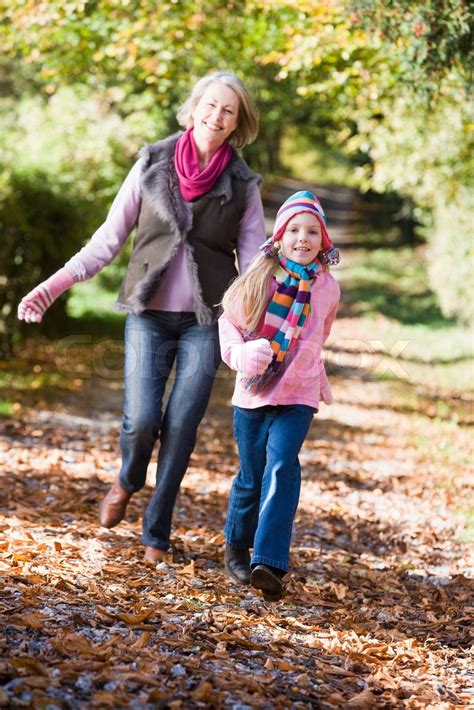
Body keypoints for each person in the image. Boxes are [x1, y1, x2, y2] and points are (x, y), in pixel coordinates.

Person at [17, 71, 265, 564]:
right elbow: (107, 241)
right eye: (210, 105)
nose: (216, 117)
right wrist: (52, 286)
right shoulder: (152, 164)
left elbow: (255, 264)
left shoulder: (243, 185)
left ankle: (156, 532)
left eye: (228, 111)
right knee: (142, 419)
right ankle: (128, 479)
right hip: (147, 315)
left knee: (182, 423)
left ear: (238, 123)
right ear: (193, 107)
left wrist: (268, 320)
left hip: (206, 322)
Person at [218, 191, 340, 601]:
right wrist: (240, 354)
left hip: (299, 395)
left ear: (323, 241)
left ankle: (267, 562)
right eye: (294, 230)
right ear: (280, 236)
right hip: (253, 393)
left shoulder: (328, 288)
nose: (302, 238)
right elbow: (228, 324)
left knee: (282, 467)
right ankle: (236, 545)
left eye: (312, 232)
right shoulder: (260, 278)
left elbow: (320, 335)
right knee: (252, 476)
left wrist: (313, 372)